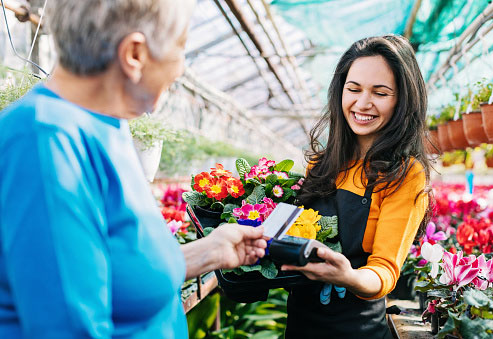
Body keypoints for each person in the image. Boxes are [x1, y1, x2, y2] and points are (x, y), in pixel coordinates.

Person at [0, 0, 267, 338]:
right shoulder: (45, 142)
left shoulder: (108, 126)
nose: (182, 67)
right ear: (135, 54)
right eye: (181, 45)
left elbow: (115, 274)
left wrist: (210, 251)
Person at [281, 35, 431, 338]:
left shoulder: (404, 175)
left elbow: (385, 271)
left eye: (381, 92)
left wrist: (348, 276)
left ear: (403, 100)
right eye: (353, 89)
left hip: (356, 329)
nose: (363, 103)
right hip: (301, 324)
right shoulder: (321, 164)